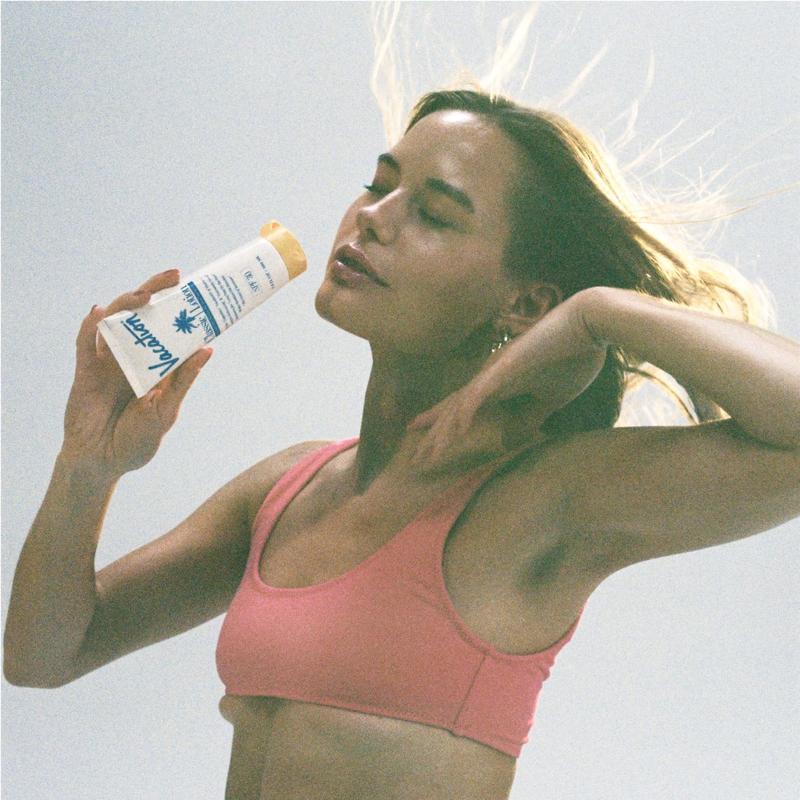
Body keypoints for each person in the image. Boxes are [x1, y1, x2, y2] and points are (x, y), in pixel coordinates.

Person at [4, 87, 799, 800]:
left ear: (528, 303)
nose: (374, 217)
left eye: (436, 213)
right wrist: (88, 465)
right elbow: (45, 656)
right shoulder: (289, 487)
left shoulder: (540, 501)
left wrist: (597, 312)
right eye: (379, 185)